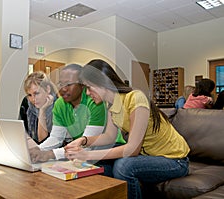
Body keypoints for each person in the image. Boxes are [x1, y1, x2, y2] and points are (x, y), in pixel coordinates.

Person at [64, 59, 190, 199]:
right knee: (99, 155)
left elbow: (132, 149)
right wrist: (83, 141)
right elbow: (109, 137)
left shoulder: (136, 98)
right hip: (149, 156)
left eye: (89, 87)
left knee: (124, 166)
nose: (87, 93)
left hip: (175, 160)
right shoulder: (111, 104)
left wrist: (86, 155)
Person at [29, 64, 125, 162]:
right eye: (61, 84)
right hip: (80, 148)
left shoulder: (95, 101)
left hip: (102, 147)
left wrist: (50, 154)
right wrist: (37, 150)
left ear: (82, 85)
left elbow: (89, 144)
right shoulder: (60, 104)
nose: (63, 89)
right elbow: (56, 138)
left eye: (69, 84)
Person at [19, 71, 58, 144]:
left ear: (48, 89)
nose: (33, 99)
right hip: (31, 148)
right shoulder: (26, 103)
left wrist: (42, 111)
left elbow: (44, 141)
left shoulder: (59, 106)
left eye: (36, 93)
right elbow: (21, 132)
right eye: (29, 95)